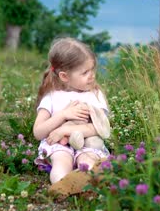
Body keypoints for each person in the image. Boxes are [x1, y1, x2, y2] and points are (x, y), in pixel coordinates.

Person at [33, 37, 110, 184]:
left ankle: (87, 184)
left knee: (88, 159)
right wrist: (63, 115)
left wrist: (65, 131)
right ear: (64, 76)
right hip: (59, 144)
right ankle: (62, 185)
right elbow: (38, 132)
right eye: (85, 72)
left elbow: (101, 128)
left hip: (87, 144)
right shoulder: (52, 97)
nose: (92, 75)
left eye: (92, 69)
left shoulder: (95, 95)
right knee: (62, 160)